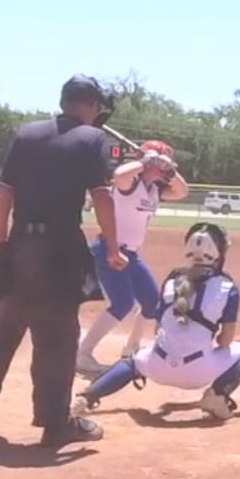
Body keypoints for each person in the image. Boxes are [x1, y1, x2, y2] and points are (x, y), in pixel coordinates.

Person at [0, 75, 126, 447]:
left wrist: (0, 241)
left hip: (21, 244)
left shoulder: (28, 134)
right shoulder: (93, 139)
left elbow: (4, 193)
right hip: (59, 249)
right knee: (58, 339)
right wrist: (113, 247)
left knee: (5, 333)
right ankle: (56, 423)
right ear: (91, 106)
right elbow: (102, 197)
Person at [75, 222, 240, 423]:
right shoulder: (227, 286)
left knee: (132, 361)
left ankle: (87, 396)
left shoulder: (172, 281)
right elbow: (225, 341)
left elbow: (158, 330)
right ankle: (217, 395)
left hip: (157, 367)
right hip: (199, 374)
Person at [76, 139, 189, 378]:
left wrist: (170, 170)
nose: (162, 170)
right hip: (109, 249)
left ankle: (131, 349)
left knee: (152, 302)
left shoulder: (154, 189)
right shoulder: (130, 183)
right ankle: (83, 354)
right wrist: (146, 160)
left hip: (132, 254)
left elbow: (182, 191)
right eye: (160, 165)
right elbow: (119, 175)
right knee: (122, 303)